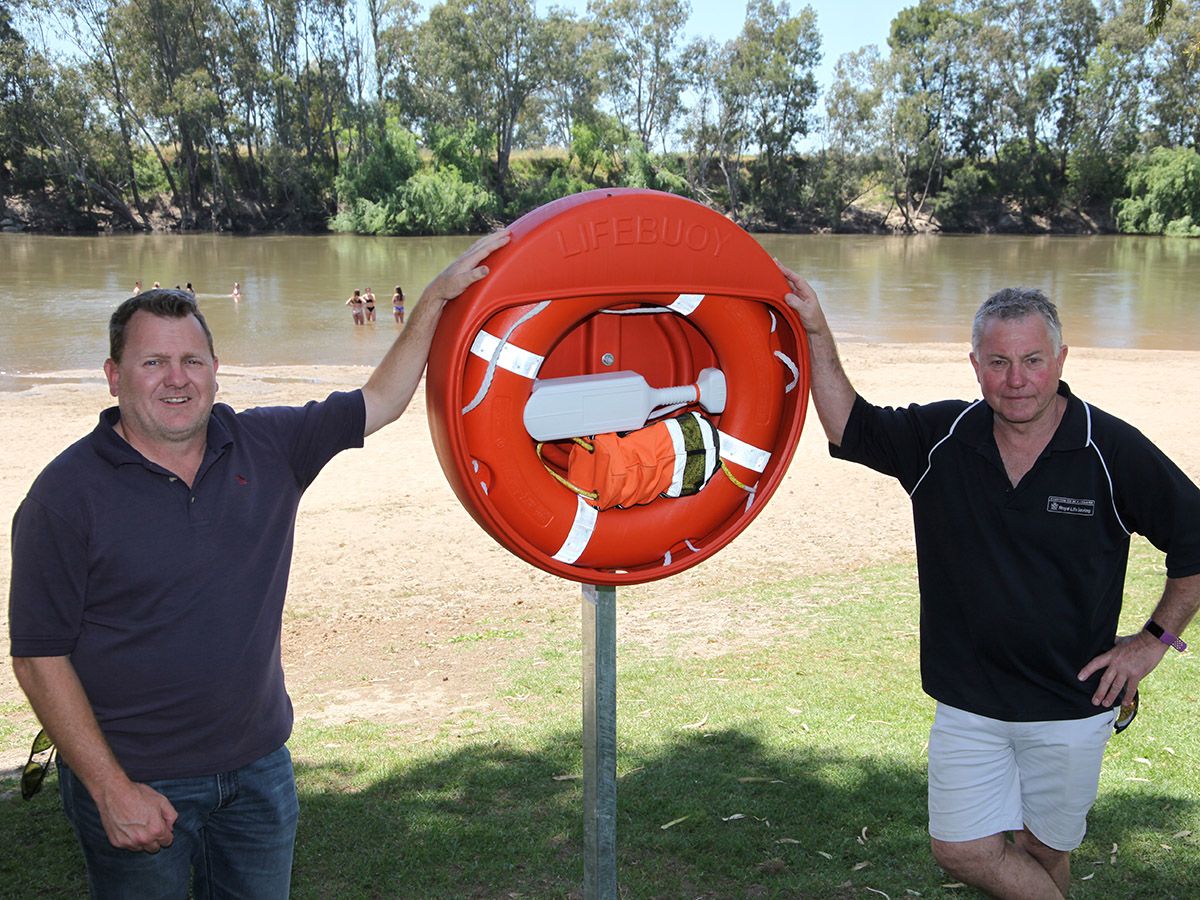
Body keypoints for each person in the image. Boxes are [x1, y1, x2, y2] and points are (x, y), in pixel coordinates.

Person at [8, 230, 511, 898]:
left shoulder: (270, 444)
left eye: (192, 359)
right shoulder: (64, 496)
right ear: (113, 375)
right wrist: (109, 789)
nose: (176, 377)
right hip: (136, 781)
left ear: (217, 369)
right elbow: (40, 655)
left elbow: (381, 401)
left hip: (258, 774)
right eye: (153, 362)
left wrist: (436, 297)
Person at [780, 271, 1200, 899]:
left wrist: (1153, 641)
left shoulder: (1110, 449)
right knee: (960, 849)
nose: (1016, 379)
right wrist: (815, 330)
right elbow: (849, 425)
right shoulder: (942, 439)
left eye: (1032, 360)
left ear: (1060, 359)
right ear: (975, 365)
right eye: (998, 362)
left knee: (1039, 848)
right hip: (969, 699)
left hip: (1070, 701)